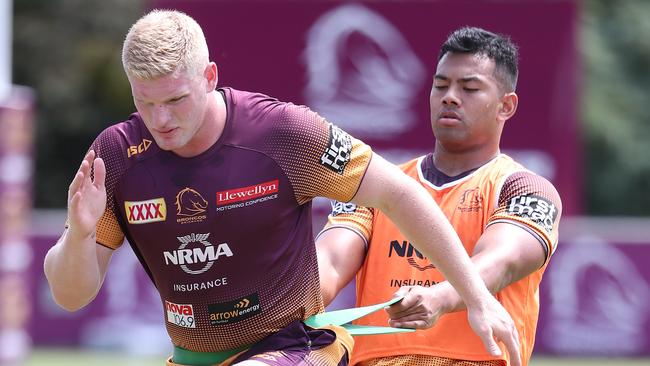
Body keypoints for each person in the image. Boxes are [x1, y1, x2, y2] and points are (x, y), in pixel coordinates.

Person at [43, 10, 519, 366]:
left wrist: (476, 298)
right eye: (144, 102)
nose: (160, 120)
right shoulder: (116, 157)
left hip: (298, 346)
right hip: (190, 356)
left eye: (176, 99)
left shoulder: (284, 134)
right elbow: (71, 295)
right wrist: (79, 237)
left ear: (209, 77)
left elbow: (400, 193)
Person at [317, 26, 562, 366]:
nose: (450, 96)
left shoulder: (524, 188)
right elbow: (328, 262)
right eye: (441, 85)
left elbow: (501, 262)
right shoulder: (376, 185)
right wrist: (280, 302)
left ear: (506, 106)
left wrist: (438, 298)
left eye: (470, 87)